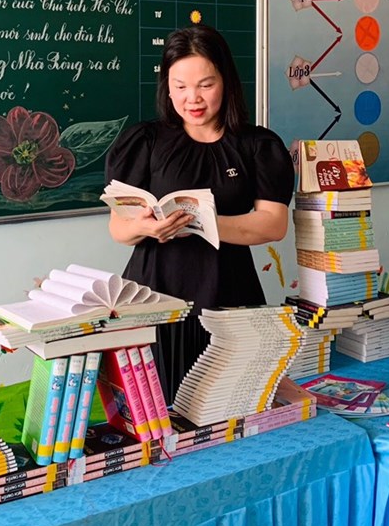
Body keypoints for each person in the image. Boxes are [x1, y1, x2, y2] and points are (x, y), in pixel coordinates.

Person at [104, 24, 294, 397]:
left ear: (226, 82)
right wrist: (146, 227)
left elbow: (273, 224)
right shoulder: (145, 142)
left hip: (229, 296)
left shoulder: (257, 145)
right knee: (160, 411)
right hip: (154, 298)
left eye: (206, 85)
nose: (192, 98)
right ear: (167, 87)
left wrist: (202, 221)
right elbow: (118, 229)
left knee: (231, 404)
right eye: (180, 86)